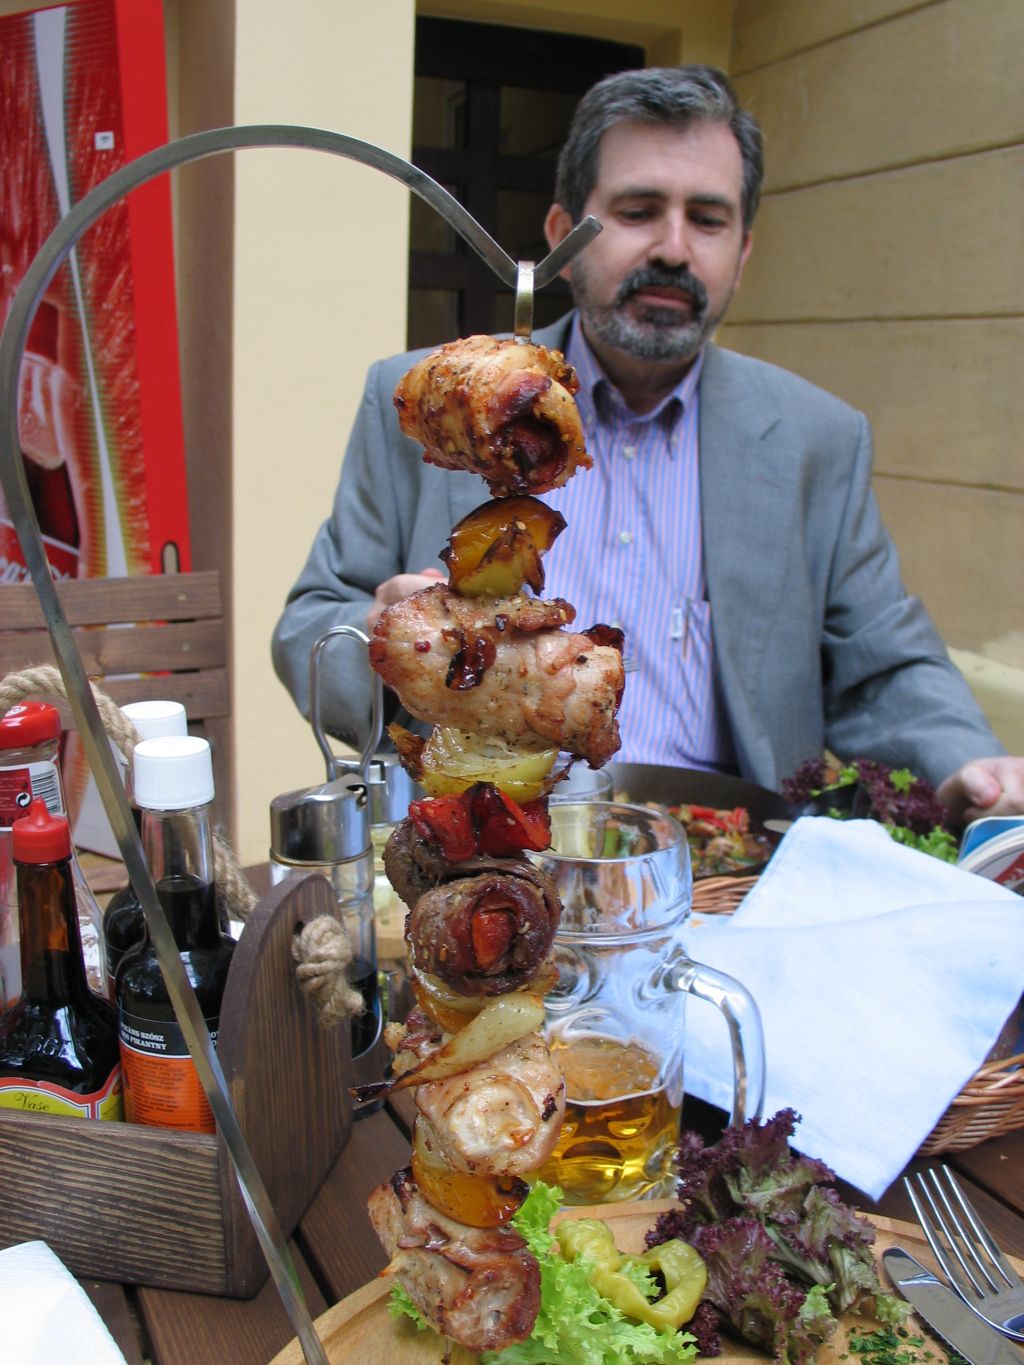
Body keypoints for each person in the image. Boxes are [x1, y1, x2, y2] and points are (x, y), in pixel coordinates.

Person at [272, 64, 1024, 828]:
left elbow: (883, 663)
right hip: (493, 842)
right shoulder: (433, 404)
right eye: (637, 211)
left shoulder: (817, 439)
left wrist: (970, 763)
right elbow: (307, 630)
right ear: (562, 236)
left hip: (728, 858)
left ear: (743, 251)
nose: (673, 248)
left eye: (708, 219)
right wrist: (383, 638)